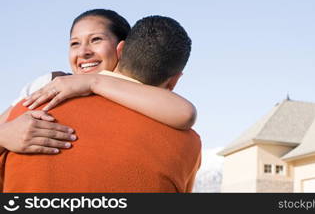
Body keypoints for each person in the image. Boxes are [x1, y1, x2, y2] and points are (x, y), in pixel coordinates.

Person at [2, 15, 201, 193]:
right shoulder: (187, 142)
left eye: (96, 39)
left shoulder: (33, 107)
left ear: (120, 49)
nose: (84, 52)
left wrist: (94, 81)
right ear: (175, 80)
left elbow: (185, 112)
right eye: (74, 43)